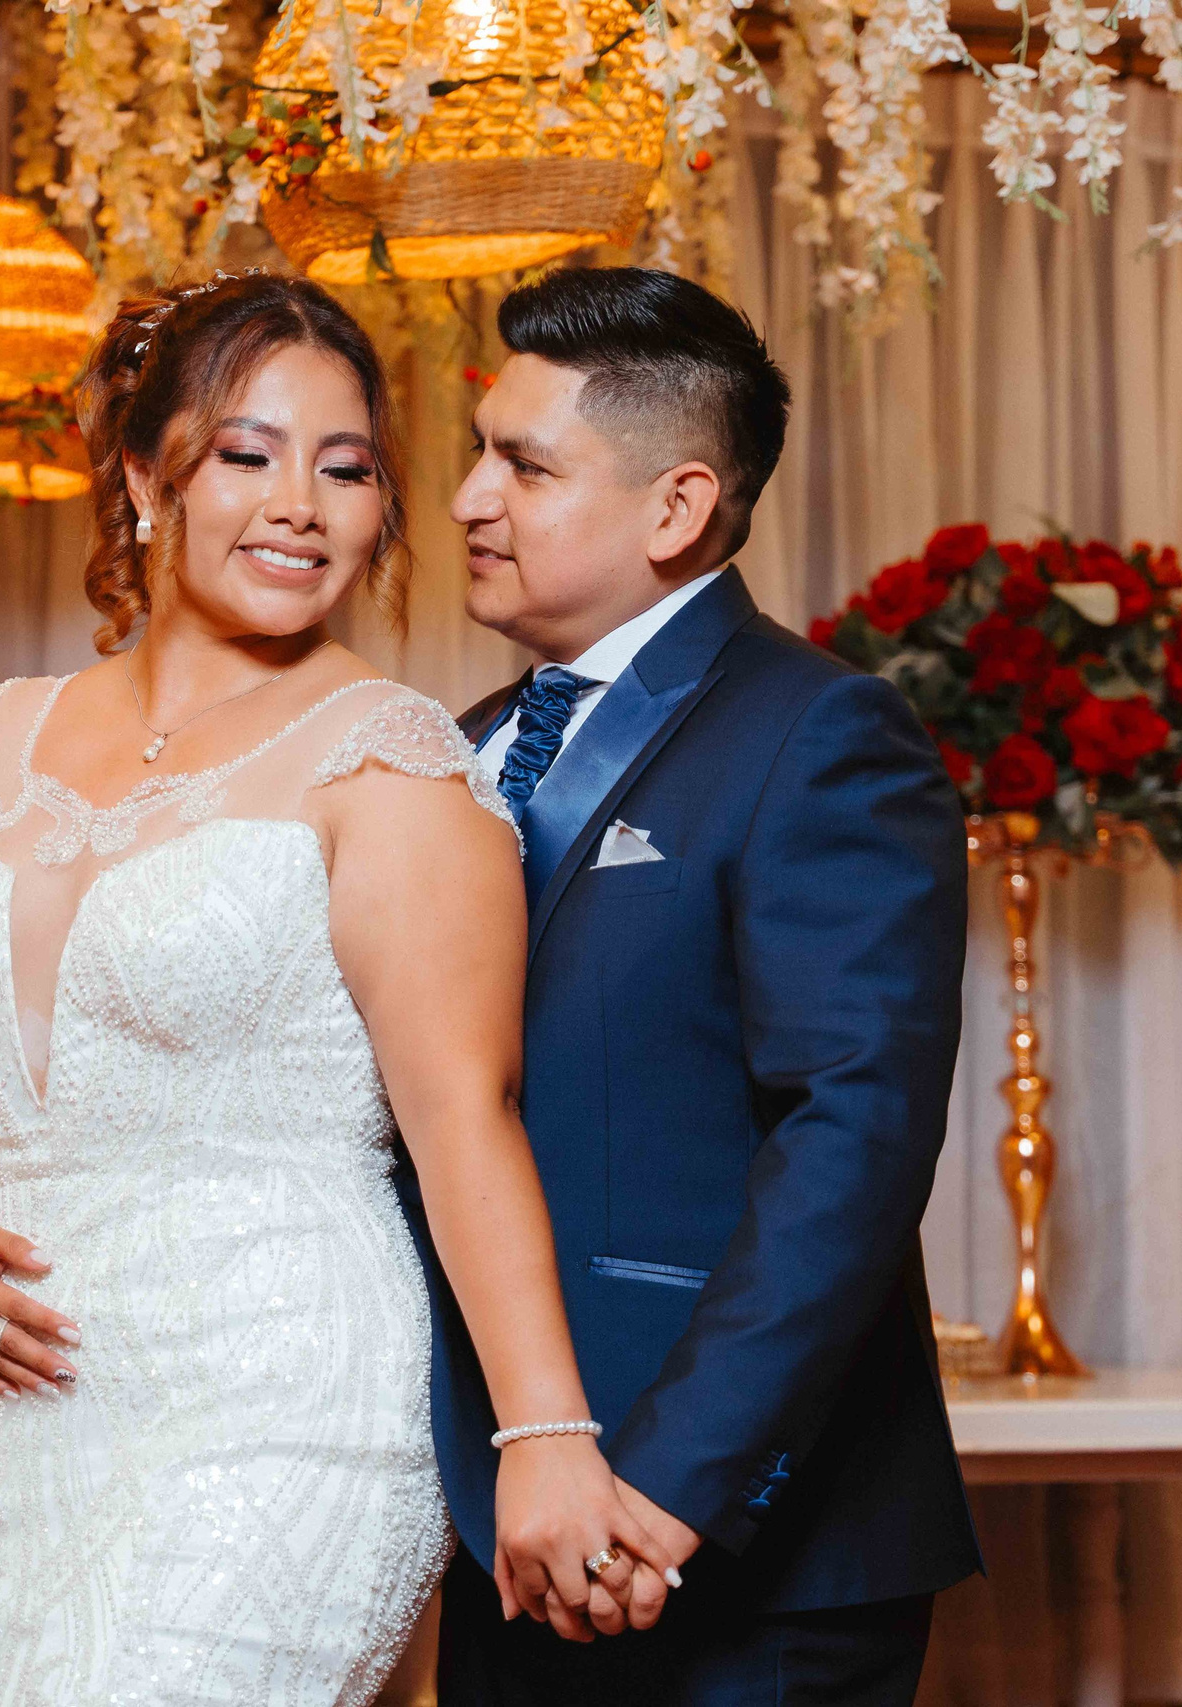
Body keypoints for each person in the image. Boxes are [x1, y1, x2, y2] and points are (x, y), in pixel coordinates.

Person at [0, 270, 676, 1707]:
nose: (302, 503)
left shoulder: (392, 761)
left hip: (279, 1402)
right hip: (4, 1417)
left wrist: (545, 1429)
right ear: (142, 478)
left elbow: (467, 1117)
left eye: (346, 469)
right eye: (248, 454)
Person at [418, 266, 982, 1705]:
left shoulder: (823, 734)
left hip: (733, 1548)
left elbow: (850, 1139)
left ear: (675, 509)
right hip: (508, 1522)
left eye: (524, 464)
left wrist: (660, 1496)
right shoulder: (461, 746)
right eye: (478, 452)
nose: (472, 499)